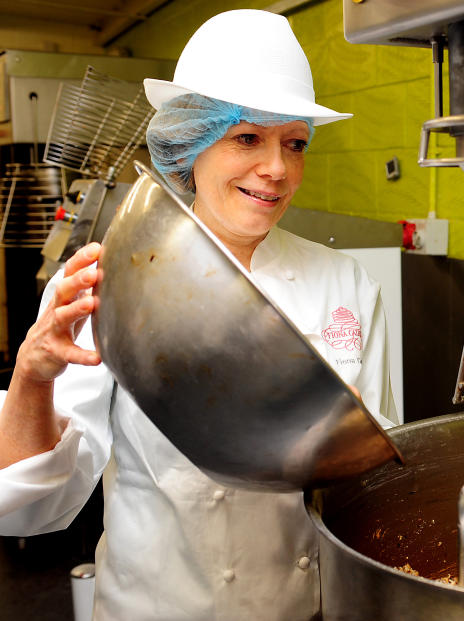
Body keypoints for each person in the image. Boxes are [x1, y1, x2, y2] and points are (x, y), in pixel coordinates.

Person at [0, 9, 397, 620]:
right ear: (192, 144)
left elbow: (370, 476)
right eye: (247, 138)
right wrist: (32, 373)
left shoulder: (344, 283)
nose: (278, 169)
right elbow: (32, 505)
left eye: (295, 144)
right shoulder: (119, 276)